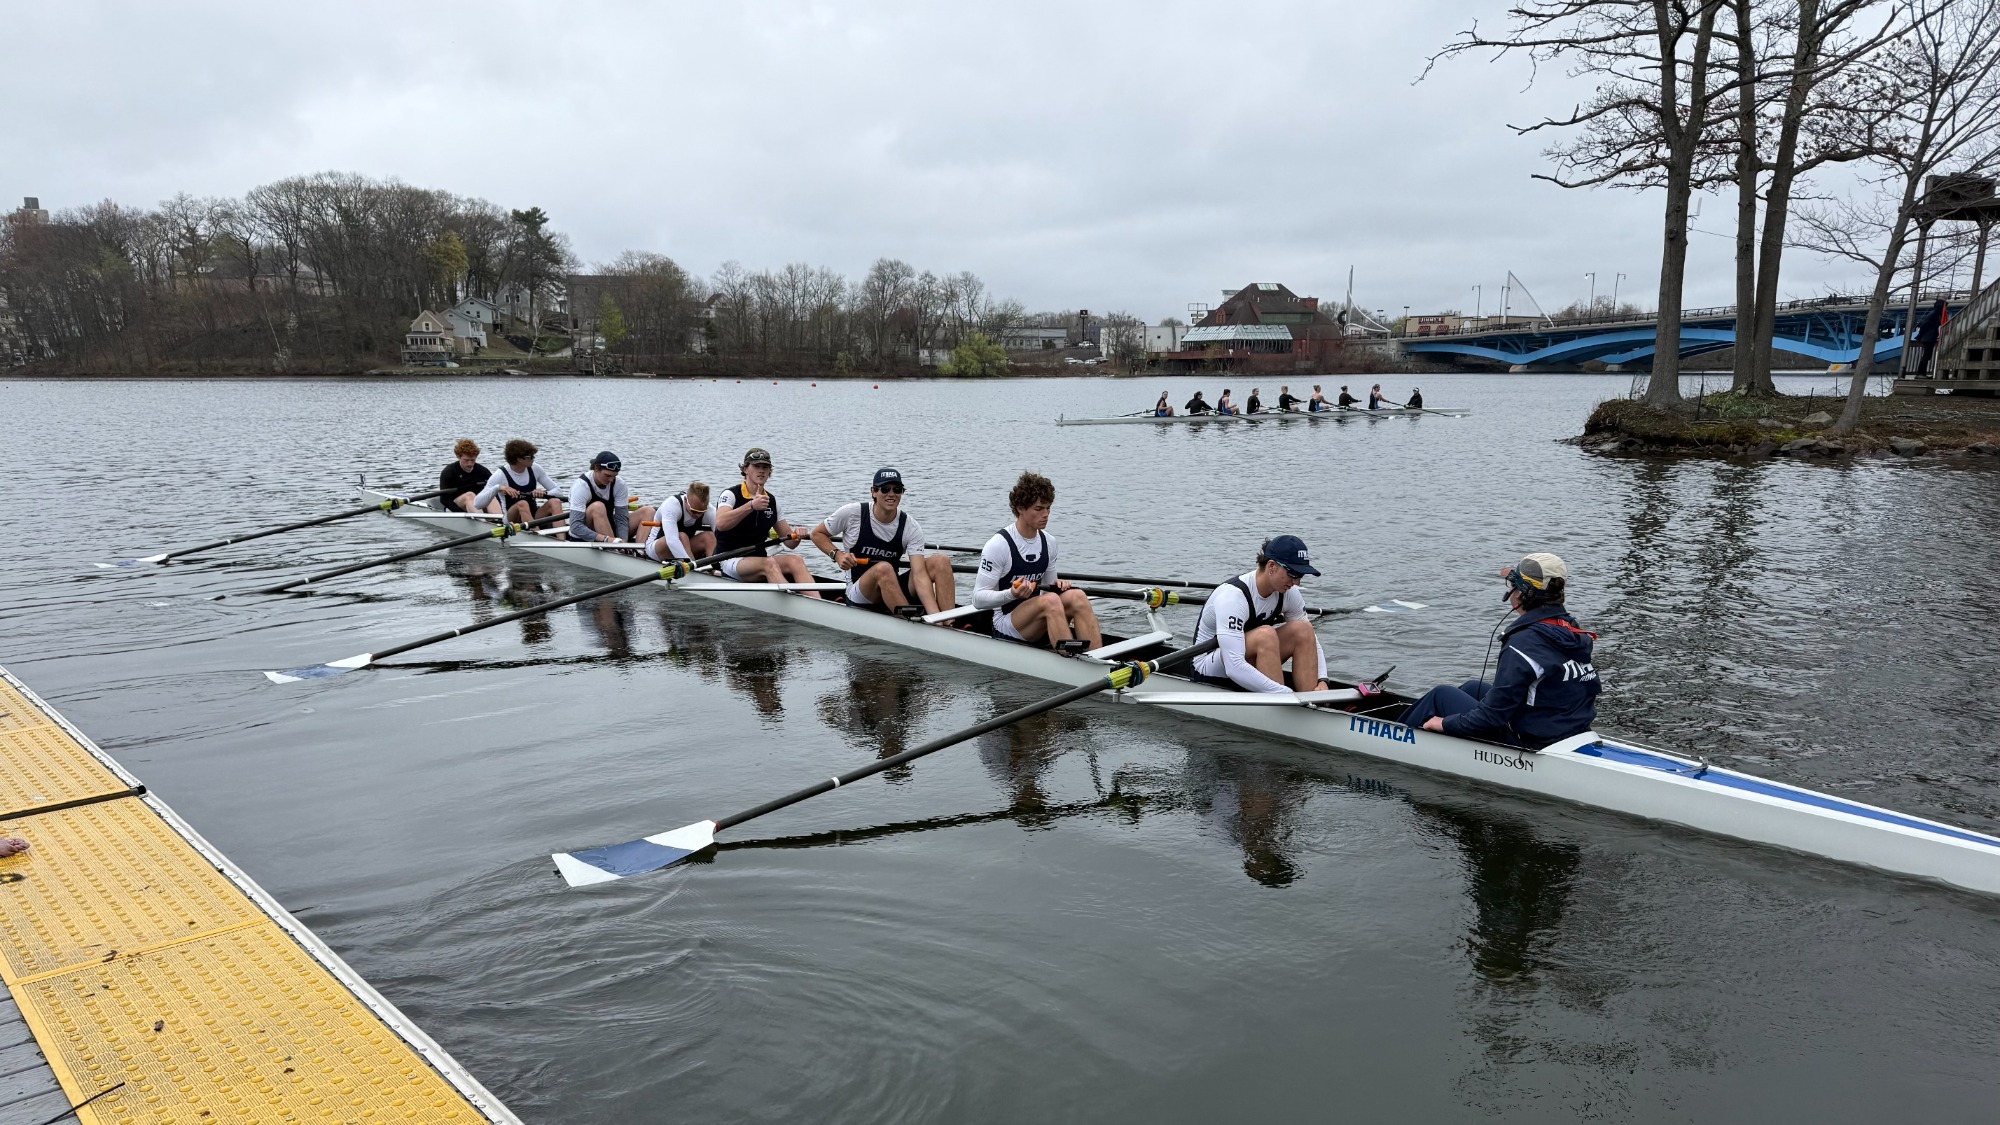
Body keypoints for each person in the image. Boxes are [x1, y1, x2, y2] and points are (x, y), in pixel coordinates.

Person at [1401, 553, 1601, 750]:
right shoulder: (1570, 628)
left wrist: (1444, 724)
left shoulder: (1523, 643)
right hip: (1568, 729)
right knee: (1473, 687)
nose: (1509, 590)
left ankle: (1395, 736)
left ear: (1522, 593)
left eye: (1511, 584)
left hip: (1533, 741)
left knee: (1441, 694)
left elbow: (1491, 718)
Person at [972, 471, 1101, 650]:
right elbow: (978, 599)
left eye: (1048, 508)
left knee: (1077, 595)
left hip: (1034, 619)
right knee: (1051, 601)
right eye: (1039, 509)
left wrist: (1059, 585)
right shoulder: (998, 545)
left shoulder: (1049, 542)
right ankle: (1070, 660)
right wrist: (1011, 594)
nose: (1046, 514)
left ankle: (1097, 657)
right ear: (1020, 508)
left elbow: (1049, 590)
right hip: (1005, 623)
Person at [1189, 535, 1330, 694]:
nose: (1297, 582)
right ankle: (1281, 707)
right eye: (1293, 573)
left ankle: (1313, 698)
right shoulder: (1233, 597)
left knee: (1303, 629)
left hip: (1244, 659)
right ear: (1271, 566)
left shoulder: (1289, 592)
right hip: (1208, 668)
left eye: (1301, 575)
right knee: (1265, 635)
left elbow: (1311, 640)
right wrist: (1285, 693)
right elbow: (1233, 666)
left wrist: (1322, 679)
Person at [810, 467, 957, 615]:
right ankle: (910, 620)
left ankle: (947, 622)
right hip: (859, 594)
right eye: (885, 489)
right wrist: (837, 555)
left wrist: (935, 616)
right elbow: (817, 534)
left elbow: (919, 575)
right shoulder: (852, 513)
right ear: (873, 491)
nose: (891, 494)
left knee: (941, 561)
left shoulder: (910, 526)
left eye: (897, 489)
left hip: (891, 586)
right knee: (884, 568)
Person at [713, 447, 818, 594]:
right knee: (769, 562)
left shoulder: (772, 501)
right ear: (745, 469)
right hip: (730, 559)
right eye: (756, 466)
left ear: (770, 472)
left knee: (796, 560)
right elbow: (721, 524)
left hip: (758, 559)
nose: (761, 471)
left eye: (765, 467)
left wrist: (797, 534)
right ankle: (794, 605)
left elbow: (790, 543)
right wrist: (751, 506)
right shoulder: (730, 494)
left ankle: (816, 602)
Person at [567, 451, 655, 543]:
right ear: (596, 468)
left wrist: (623, 542)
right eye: (607, 475)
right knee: (598, 506)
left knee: (648, 511)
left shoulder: (619, 484)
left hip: (610, 530)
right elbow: (575, 526)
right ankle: (614, 549)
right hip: (584, 535)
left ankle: (639, 551)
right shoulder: (581, 486)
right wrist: (606, 539)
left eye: (614, 476)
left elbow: (621, 519)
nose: (611, 480)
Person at [476, 439, 562, 524]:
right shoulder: (500, 475)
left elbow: (558, 492)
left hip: (533, 514)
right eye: (530, 457)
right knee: (522, 504)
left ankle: (561, 537)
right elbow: (477, 504)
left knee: (555, 501)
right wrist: (498, 487)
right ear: (519, 459)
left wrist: (544, 493)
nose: (533, 459)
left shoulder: (535, 468)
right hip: (511, 519)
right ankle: (535, 533)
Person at [644, 481, 717, 564]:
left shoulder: (711, 510)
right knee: (681, 536)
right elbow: (672, 541)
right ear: (685, 500)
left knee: (710, 536)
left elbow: (722, 537)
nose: (697, 515)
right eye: (693, 511)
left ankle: (716, 569)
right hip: (655, 551)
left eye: (701, 512)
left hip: (685, 547)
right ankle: (694, 569)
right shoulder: (672, 505)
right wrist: (692, 565)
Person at [438, 439, 490, 513]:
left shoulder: (482, 470)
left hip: (476, 506)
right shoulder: (449, 471)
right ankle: (482, 521)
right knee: (470, 495)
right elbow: (443, 499)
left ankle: (502, 521)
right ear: (458, 457)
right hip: (455, 507)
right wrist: (461, 513)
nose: (470, 464)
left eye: (472, 460)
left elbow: (494, 487)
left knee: (492, 495)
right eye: (466, 460)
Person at [1909, 298, 1947, 376]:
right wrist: (1919, 336)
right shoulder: (1934, 314)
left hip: (1929, 337)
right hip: (1928, 338)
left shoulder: (1934, 313)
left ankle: (1922, 373)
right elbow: (1923, 324)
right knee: (1926, 356)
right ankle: (1920, 373)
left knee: (1927, 356)